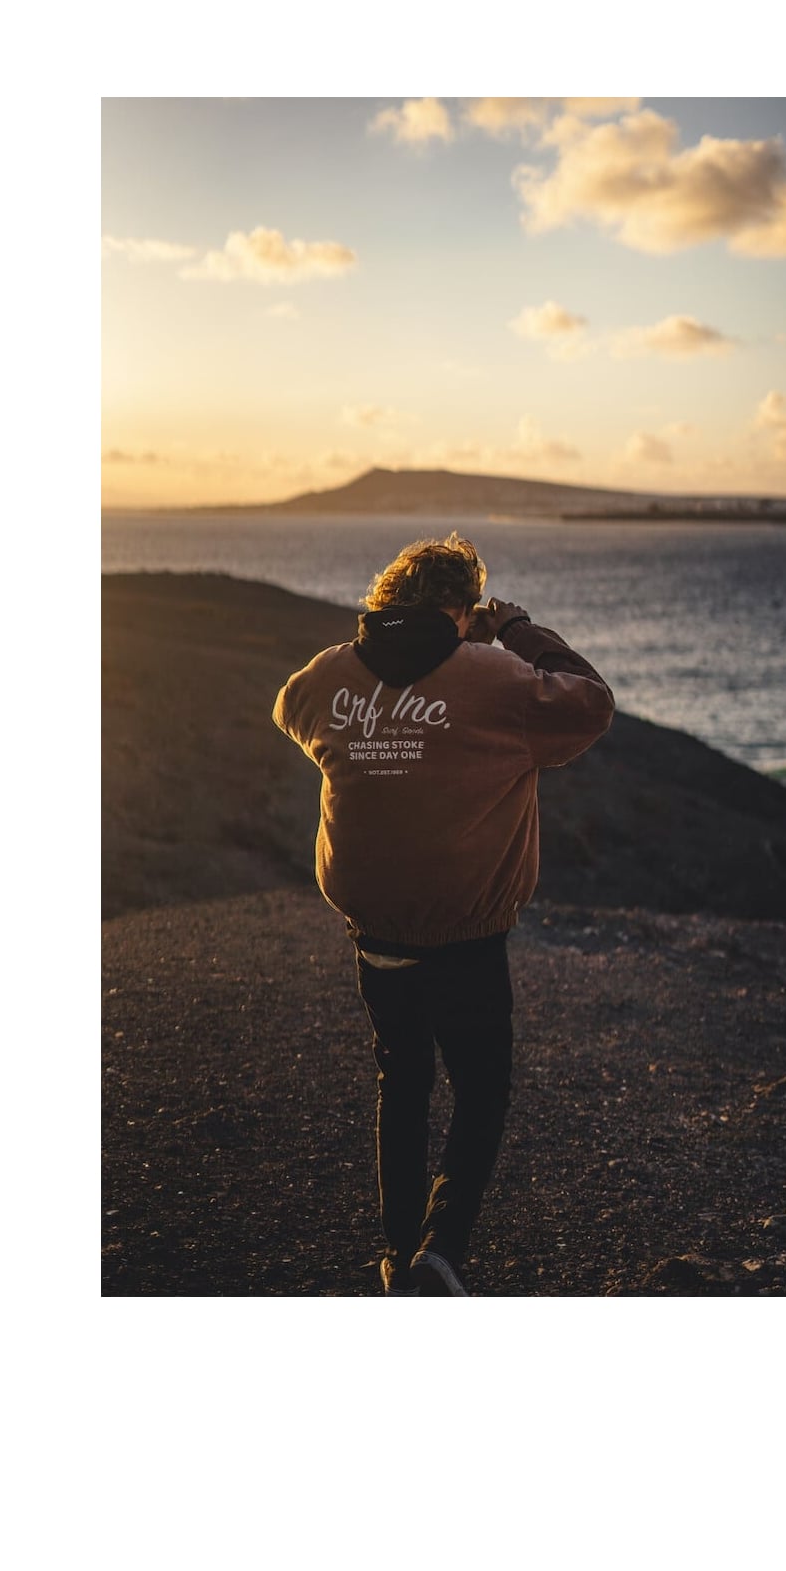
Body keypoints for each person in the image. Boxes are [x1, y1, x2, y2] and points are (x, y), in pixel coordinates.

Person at [271, 531, 614, 1296]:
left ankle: (398, 1254)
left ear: (386, 599)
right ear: (464, 609)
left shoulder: (330, 675)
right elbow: (590, 702)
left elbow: (289, 709)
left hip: (375, 929)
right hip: (467, 934)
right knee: (481, 1088)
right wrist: (516, 629)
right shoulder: (494, 676)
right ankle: (440, 1253)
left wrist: (369, 737)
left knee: (403, 1081)